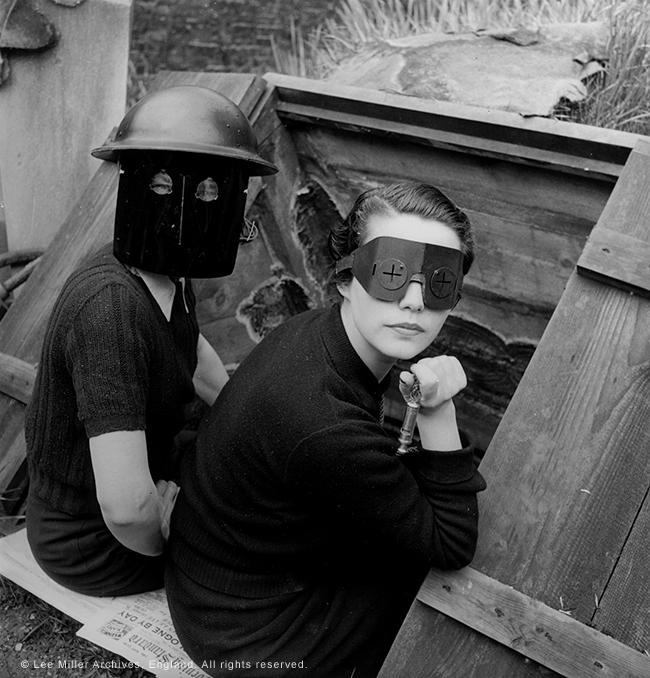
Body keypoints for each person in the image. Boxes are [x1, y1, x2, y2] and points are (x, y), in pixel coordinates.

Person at [166, 181, 487, 677]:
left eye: (439, 281)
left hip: (218, 584)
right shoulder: (322, 421)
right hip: (254, 636)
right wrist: (438, 408)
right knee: (445, 591)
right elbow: (452, 544)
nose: (414, 303)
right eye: (391, 274)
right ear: (344, 279)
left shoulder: (319, 332)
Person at [24, 85, 277, 597]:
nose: (201, 208)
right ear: (137, 188)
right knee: (259, 547)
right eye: (168, 187)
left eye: (215, 193)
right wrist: (170, 534)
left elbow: (191, 349)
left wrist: (246, 425)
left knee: (256, 484)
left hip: (148, 476)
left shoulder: (167, 269)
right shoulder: (109, 308)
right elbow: (124, 506)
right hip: (91, 539)